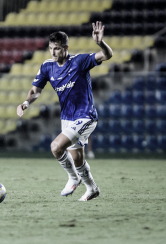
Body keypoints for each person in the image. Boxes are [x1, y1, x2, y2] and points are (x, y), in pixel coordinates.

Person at [17, 21, 113, 201]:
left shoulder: (79, 61)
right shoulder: (47, 66)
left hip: (86, 116)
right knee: (77, 159)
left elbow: (107, 55)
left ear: (66, 48)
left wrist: (100, 43)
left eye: (58, 49)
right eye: (51, 48)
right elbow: (35, 91)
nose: (53, 53)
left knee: (56, 147)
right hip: (67, 118)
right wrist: (25, 103)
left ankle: (72, 178)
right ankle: (92, 188)